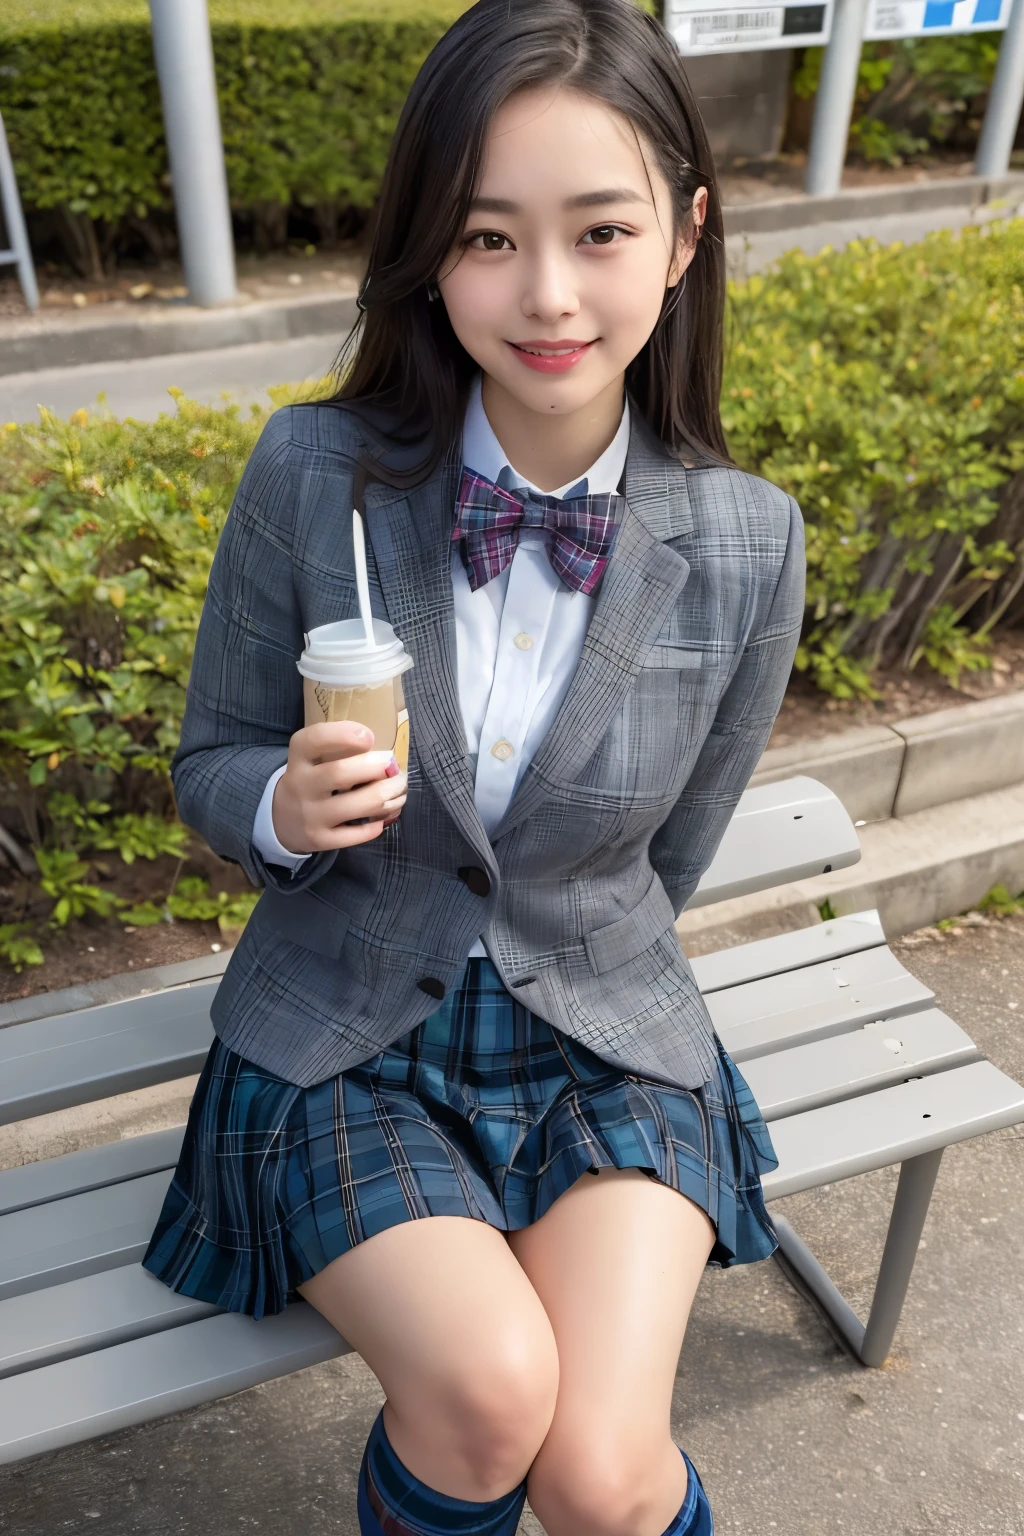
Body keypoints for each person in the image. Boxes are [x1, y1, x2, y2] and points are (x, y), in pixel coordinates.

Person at [142, 2, 806, 1533]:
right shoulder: (319, 477)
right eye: (491, 237)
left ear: (685, 236)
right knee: (493, 1393)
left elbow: (678, 847)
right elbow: (210, 760)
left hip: (603, 1032)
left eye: (601, 230)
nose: (550, 293)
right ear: (431, 250)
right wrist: (283, 812)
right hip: (344, 1030)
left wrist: (582, 936)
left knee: (603, 1471)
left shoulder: (745, 541)